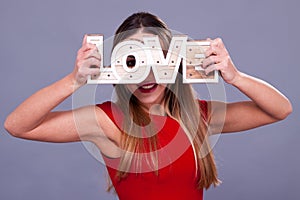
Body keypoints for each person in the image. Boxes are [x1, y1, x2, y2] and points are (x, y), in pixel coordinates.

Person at [4, 12, 292, 200]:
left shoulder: (201, 116)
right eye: (133, 63)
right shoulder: (106, 122)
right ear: (117, 68)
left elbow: (280, 110)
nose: (147, 75)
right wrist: (73, 81)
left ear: (173, 62)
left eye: (156, 61)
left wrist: (235, 77)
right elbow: (16, 126)